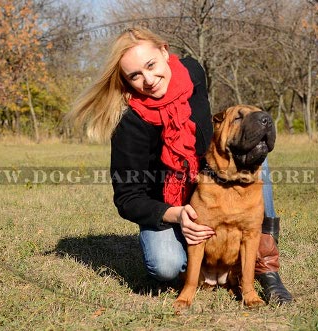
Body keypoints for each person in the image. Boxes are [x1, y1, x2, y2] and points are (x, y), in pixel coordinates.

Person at [67, 27, 292, 304]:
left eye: (151, 65)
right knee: (165, 265)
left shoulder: (193, 73)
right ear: (125, 80)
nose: (148, 80)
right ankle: (201, 266)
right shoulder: (129, 123)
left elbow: (210, 137)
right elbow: (128, 198)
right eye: (135, 75)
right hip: (168, 204)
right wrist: (176, 215)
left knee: (253, 152)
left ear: (164, 50)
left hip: (205, 176)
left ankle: (266, 269)